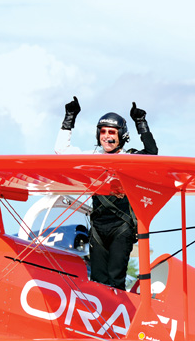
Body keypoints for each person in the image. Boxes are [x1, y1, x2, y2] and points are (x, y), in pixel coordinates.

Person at [55, 96, 158, 290]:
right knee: (97, 283)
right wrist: (69, 118)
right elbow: (61, 150)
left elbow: (152, 154)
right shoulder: (92, 158)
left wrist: (141, 123)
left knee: (115, 281)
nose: (107, 136)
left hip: (122, 227)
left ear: (122, 136)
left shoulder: (131, 159)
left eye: (112, 132)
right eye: (103, 132)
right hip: (98, 228)